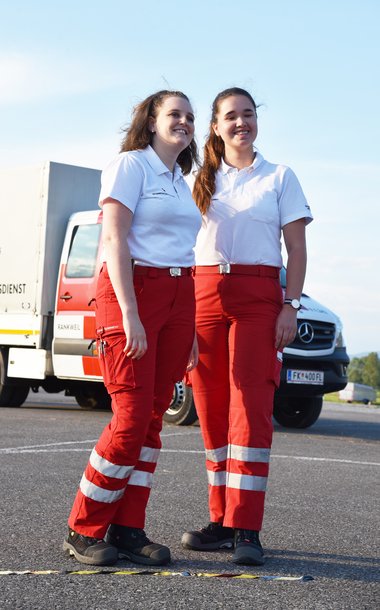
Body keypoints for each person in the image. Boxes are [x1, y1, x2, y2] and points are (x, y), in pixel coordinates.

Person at [63, 90, 201, 567]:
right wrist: (129, 313)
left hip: (180, 296)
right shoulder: (130, 166)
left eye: (189, 116)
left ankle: (126, 527)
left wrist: (193, 329)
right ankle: (84, 528)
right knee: (129, 417)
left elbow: (185, 254)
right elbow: (114, 240)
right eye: (174, 114)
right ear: (152, 120)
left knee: (152, 421)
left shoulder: (182, 181)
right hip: (133, 292)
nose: (184, 122)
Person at [181, 87, 313, 566]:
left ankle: (246, 528)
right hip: (203, 296)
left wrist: (290, 306)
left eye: (248, 114)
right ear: (214, 126)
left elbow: (295, 250)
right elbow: (179, 244)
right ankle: (220, 521)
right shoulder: (198, 179)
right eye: (230, 116)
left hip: (259, 299)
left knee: (250, 408)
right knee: (212, 409)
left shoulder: (280, 177)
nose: (241, 123)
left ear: (258, 122)